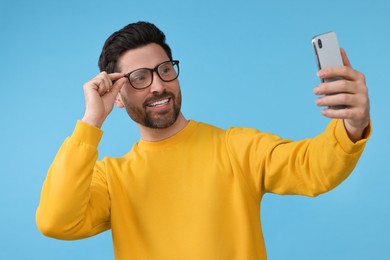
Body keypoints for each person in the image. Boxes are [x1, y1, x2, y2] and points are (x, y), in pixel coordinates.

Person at [36, 21, 371, 259]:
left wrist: (351, 124)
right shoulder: (111, 179)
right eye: (139, 78)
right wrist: (91, 121)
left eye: (164, 69)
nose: (157, 86)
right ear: (118, 96)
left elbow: (314, 168)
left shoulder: (235, 148)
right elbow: (56, 220)